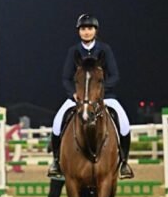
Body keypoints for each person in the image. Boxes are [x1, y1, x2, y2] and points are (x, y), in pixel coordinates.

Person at [48, 14, 134, 179]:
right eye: (83, 29)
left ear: (95, 30)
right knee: (57, 122)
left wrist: (99, 91)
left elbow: (114, 75)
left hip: (104, 96)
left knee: (124, 123)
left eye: (89, 28)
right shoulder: (73, 51)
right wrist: (73, 93)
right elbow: (66, 78)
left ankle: (124, 163)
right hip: (79, 97)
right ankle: (56, 162)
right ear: (79, 31)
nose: (86, 32)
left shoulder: (104, 50)